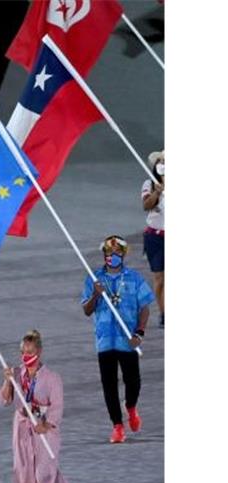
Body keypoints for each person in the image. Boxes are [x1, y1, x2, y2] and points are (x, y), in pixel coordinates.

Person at [0, 330, 71, 483]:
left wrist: (46, 424)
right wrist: (7, 382)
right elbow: (3, 401)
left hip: (45, 431)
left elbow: (57, 406)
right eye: (23, 351)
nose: (26, 355)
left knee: (44, 476)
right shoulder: (17, 374)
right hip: (22, 430)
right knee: (26, 476)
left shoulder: (52, 378)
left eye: (30, 351)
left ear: (39, 351)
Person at [81, 235, 154, 444]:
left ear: (123, 255)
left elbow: (145, 308)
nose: (112, 257)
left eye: (116, 254)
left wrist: (139, 332)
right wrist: (96, 295)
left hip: (127, 340)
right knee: (109, 384)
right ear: (104, 255)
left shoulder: (134, 278)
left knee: (134, 382)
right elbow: (87, 310)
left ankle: (130, 407)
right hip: (104, 341)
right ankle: (117, 426)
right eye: (108, 253)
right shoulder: (94, 279)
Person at [141, 150, 164, 327]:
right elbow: (146, 205)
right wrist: (157, 192)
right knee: (160, 278)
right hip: (155, 237)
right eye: (161, 162)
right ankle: (164, 312)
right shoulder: (149, 184)